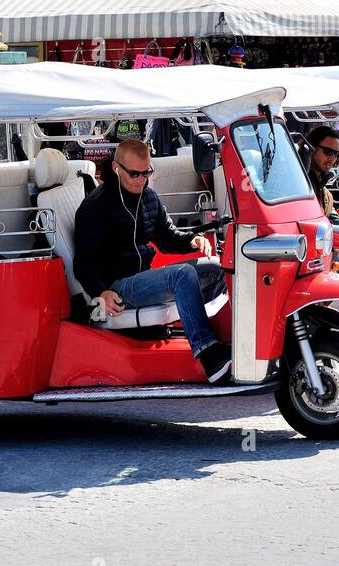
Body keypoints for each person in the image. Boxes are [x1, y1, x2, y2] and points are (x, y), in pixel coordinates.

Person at [73, 138, 231, 383]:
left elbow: (167, 237)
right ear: (117, 169)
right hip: (117, 287)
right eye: (135, 174)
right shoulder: (95, 206)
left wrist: (192, 240)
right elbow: (82, 263)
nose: (141, 179)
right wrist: (101, 292)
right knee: (182, 275)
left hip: (143, 279)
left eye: (146, 173)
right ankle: (208, 354)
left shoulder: (149, 197)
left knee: (220, 267)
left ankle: (228, 340)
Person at [304, 125, 339, 223]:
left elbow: (338, 222)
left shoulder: (326, 194)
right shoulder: (297, 183)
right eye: (328, 151)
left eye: (336, 154)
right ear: (312, 148)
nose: (332, 159)